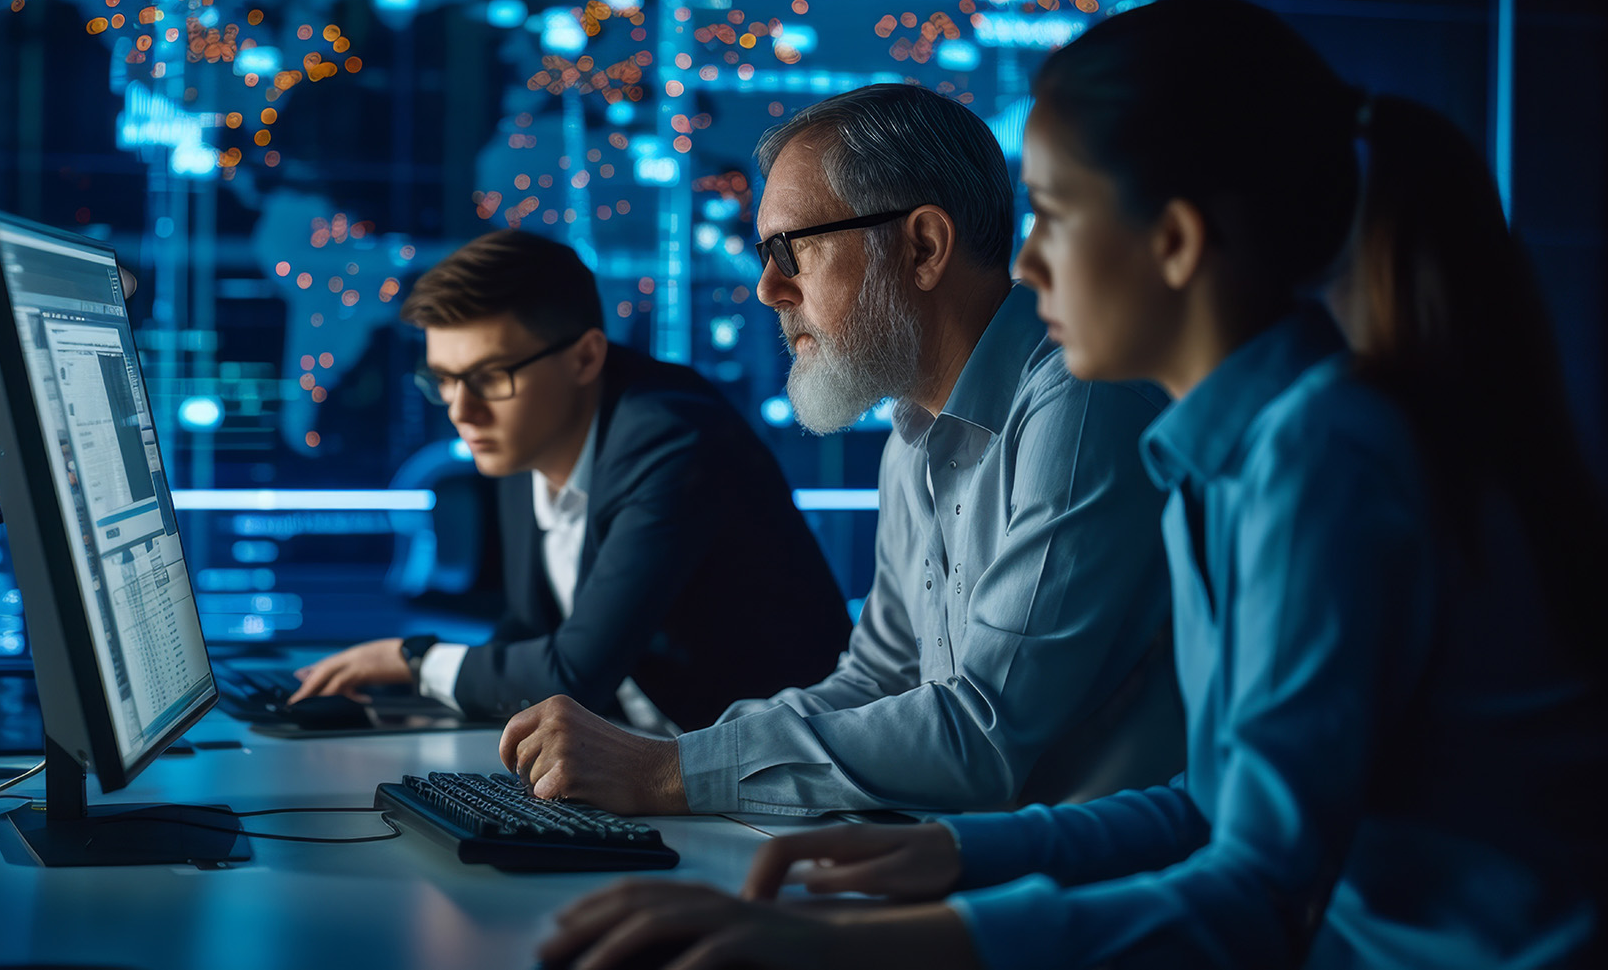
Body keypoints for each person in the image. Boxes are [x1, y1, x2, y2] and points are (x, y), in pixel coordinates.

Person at [538, 0, 1605, 970]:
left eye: (1048, 213)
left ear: (1174, 242)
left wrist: (856, 939)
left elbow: (1256, 893)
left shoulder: (1315, 449)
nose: (1028, 262)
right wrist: (953, 853)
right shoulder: (1215, 452)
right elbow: (1211, 810)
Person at [500, 83, 1183, 816]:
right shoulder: (914, 432)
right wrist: (663, 757)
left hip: (1067, 896)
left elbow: (983, 732)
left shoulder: (1080, 401)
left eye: (792, 249)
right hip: (947, 864)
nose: (768, 288)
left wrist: (673, 770)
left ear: (923, 246)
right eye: (766, 253)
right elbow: (878, 678)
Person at [289, 229, 851, 733]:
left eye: (489, 377)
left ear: (584, 358)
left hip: (774, 771)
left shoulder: (672, 439)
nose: (463, 411)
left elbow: (575, 673)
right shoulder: (523, 431)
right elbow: (528, 631)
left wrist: (414, 661)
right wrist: (396, 692)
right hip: (644, 751)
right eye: (444, 381)